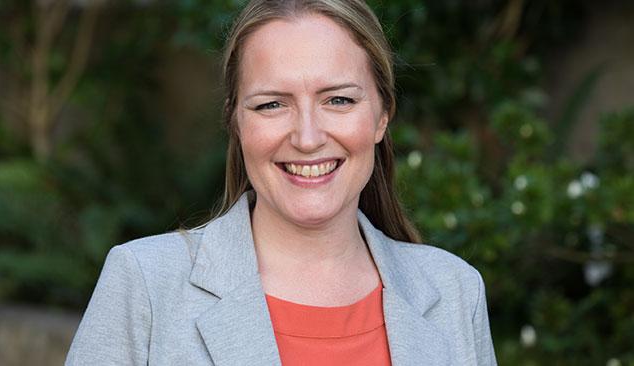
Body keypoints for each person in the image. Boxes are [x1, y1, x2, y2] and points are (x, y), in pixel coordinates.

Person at [65, 0, 497, 365]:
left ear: (382, 116)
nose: (307, 138)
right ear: (236, 122)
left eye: (339, 100)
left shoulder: (454, 291)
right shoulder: (146, 284)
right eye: (272, 104)